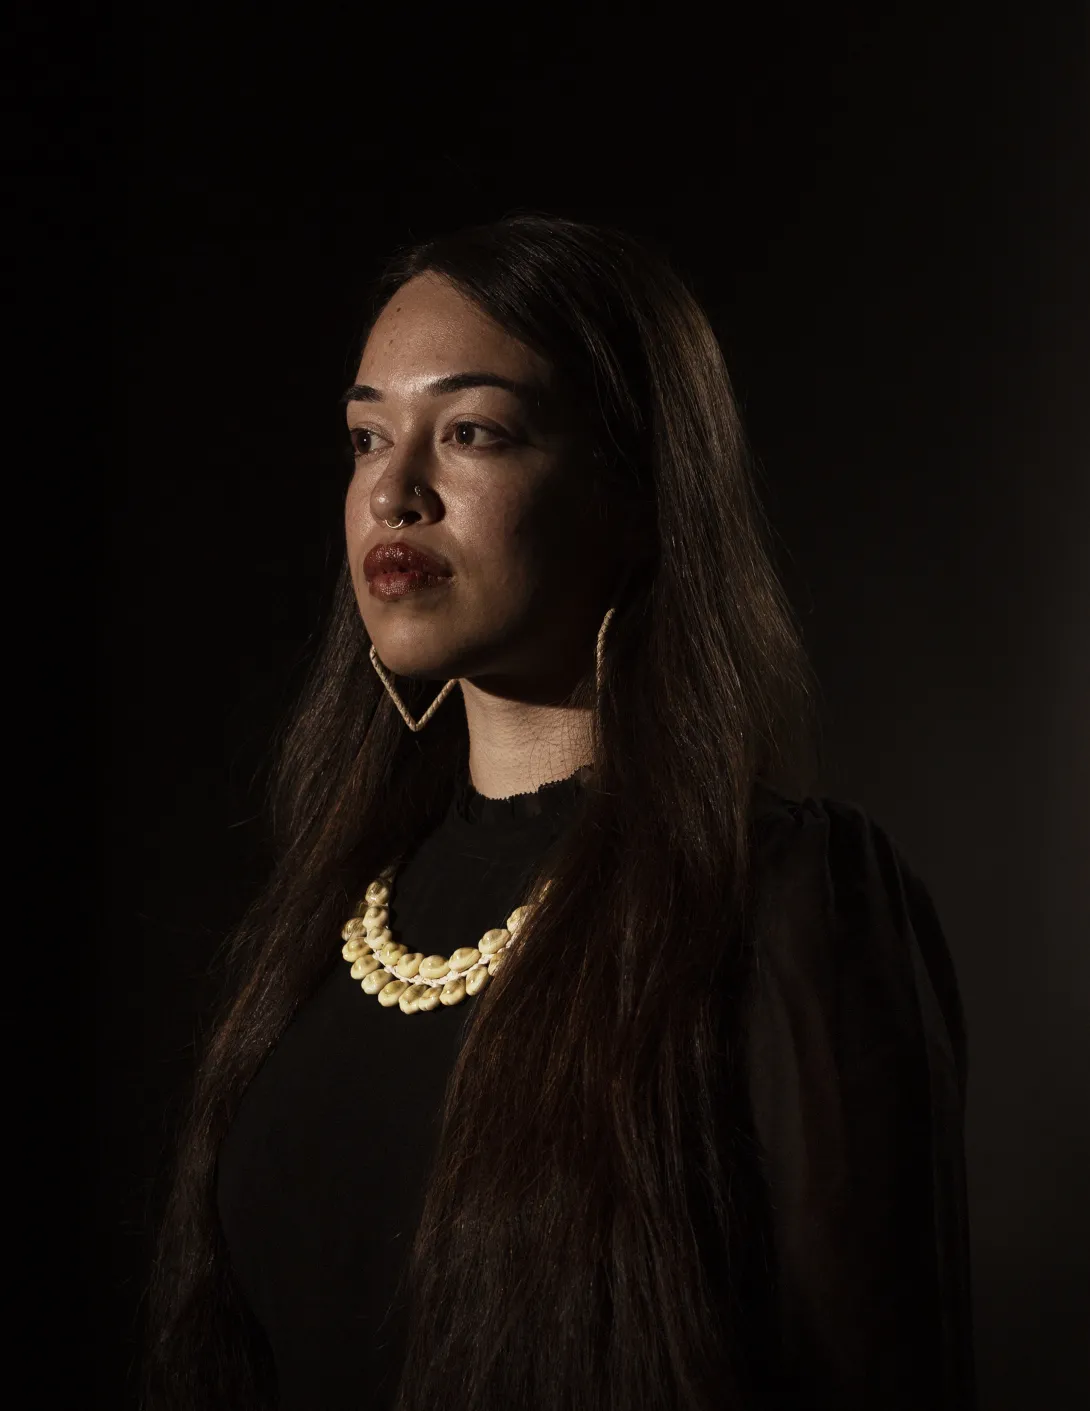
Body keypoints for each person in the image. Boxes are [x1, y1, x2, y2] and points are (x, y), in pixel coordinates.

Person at [143, 214, 975, 1410]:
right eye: (366, 436)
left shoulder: (782, 900)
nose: (394, 490)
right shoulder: (324, 918)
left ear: (636, 491)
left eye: (471, 431)